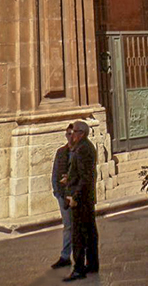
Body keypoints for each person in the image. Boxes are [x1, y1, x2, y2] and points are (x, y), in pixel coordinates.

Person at [62, 120, 99, 282]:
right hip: (86, 197)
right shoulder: (85, 147)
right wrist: (69, 177)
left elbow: (85, 177)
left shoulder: (83, 149)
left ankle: (79, 268)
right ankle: (92, 263)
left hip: (81, 200)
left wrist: (75, 197)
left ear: (81, 133)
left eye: (74, 132)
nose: (72, 135)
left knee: (79, 234)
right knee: (89, 232)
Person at [51, 124, 74, 269]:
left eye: (72, 133)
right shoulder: (61, 152)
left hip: (76, 195)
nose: (70, 136)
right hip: (63, 195)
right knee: (68, 226)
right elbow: (55, 173)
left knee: (75, 226)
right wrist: (57, 191)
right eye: (67, 134)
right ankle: (65, 256)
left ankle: (79, 255)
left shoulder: (81, 152)